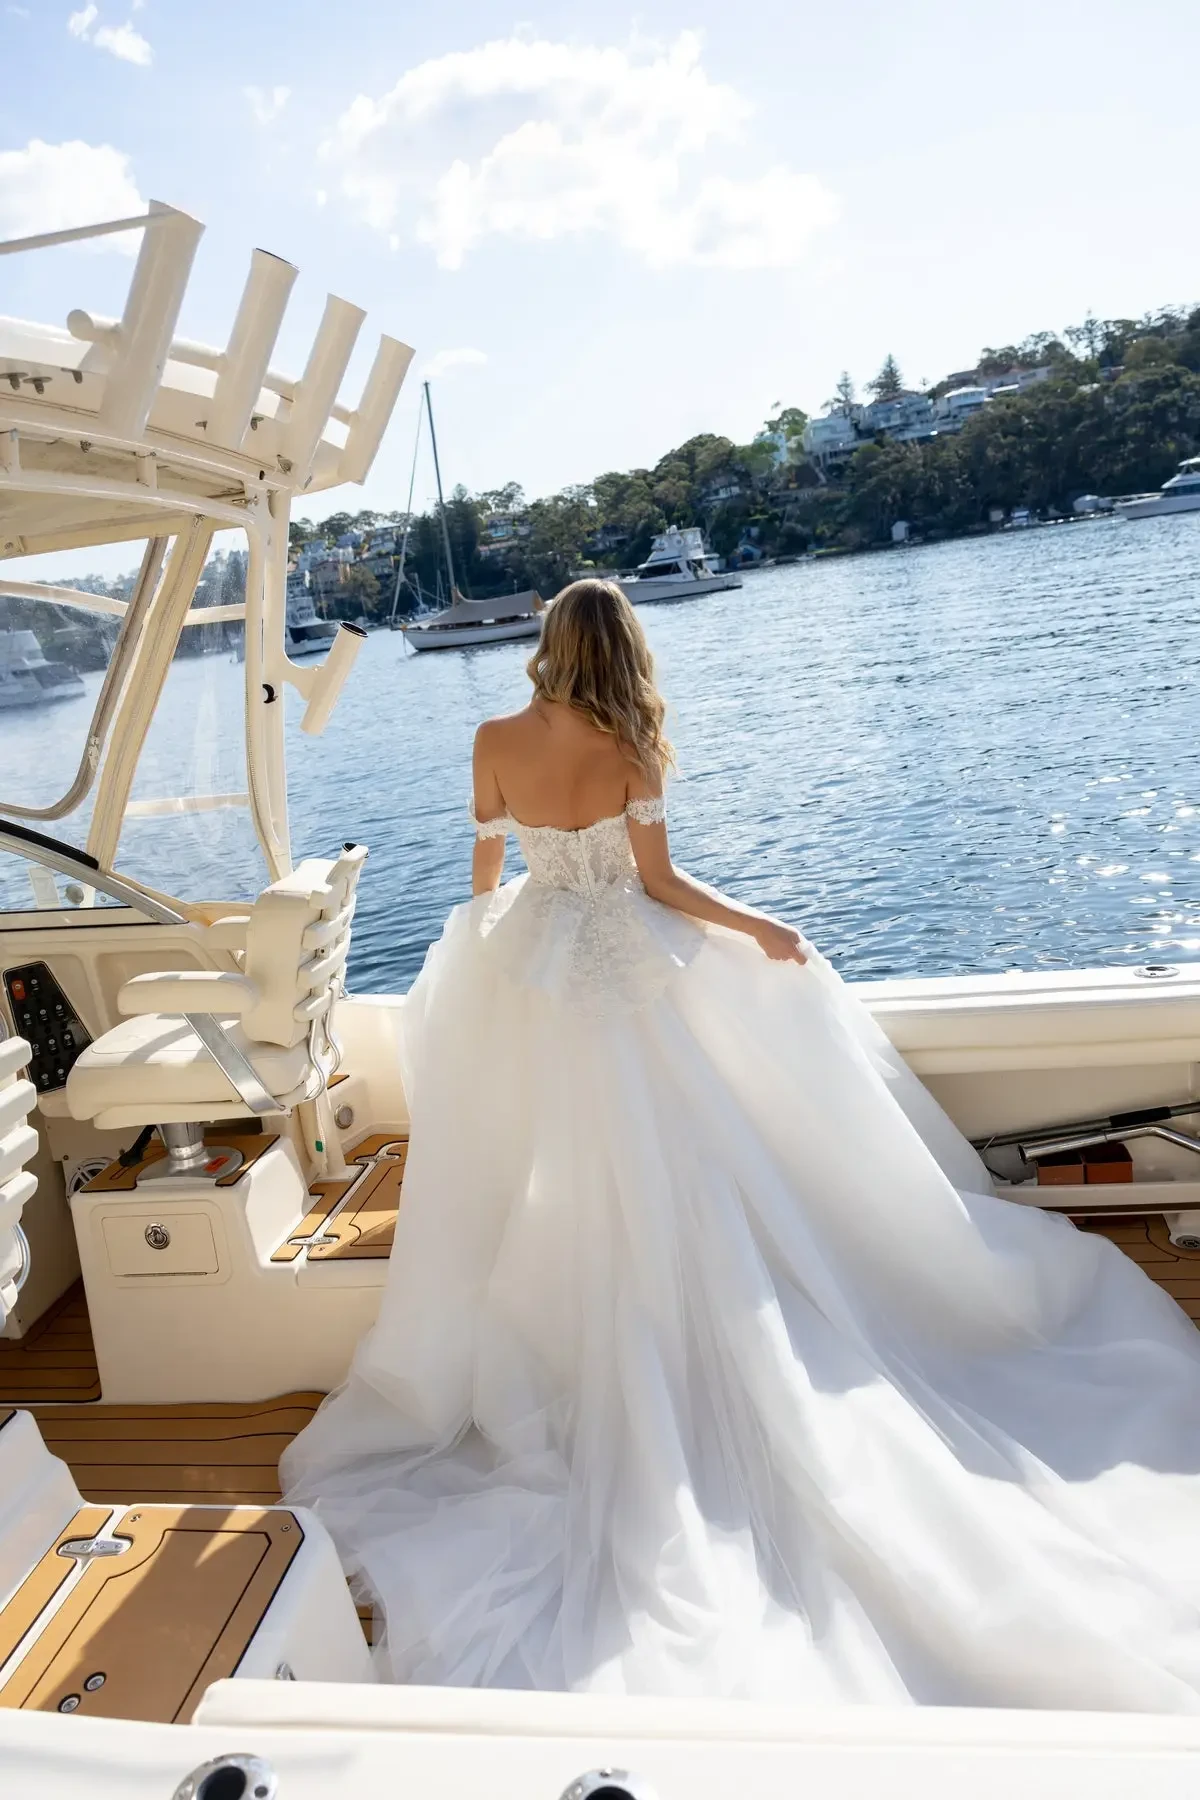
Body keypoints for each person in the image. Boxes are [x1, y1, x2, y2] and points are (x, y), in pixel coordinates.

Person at [283, 578, 1200, 1708]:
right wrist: (764, 926)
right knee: (685, 1145)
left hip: (534, 965)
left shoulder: (490, 737)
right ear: (620, 649)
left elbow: (485, 882)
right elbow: (662, 885)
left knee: (556, 1167)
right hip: (627, 960)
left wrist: (486, 963)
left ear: (545, 647)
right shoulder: (630, 747)